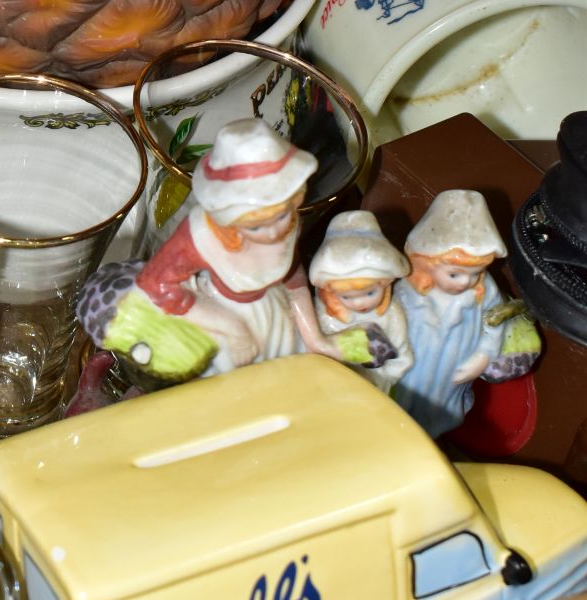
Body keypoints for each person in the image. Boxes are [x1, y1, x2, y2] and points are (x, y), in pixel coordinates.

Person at [76, 118, 341, 384]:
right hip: (219, 320)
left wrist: (314, 338)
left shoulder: (287, 223)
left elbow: (293, 279)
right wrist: (233, 330)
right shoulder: (201, 235)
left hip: (276, 318)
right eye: (256, 227)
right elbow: (156, 284)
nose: (273, 234)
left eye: (282, 216)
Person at [393, 189, 540, 439]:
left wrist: (482, 357)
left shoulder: (485, 290)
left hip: (453, 367)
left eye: (476, 273)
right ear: (427, 263)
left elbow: (493, 326)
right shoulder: (408, 291)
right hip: (415, 365)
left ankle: (434, 433)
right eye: (454, 274)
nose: (466, 282)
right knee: (402, 404)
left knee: (441, 406)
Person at [308, 209, 413, 394]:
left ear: (386, 283)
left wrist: (382, 380)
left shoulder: (392, 314)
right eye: (347, 297)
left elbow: (403, 356)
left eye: (370, 293)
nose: (359, 303)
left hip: (377, 386)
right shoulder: (324, 318)